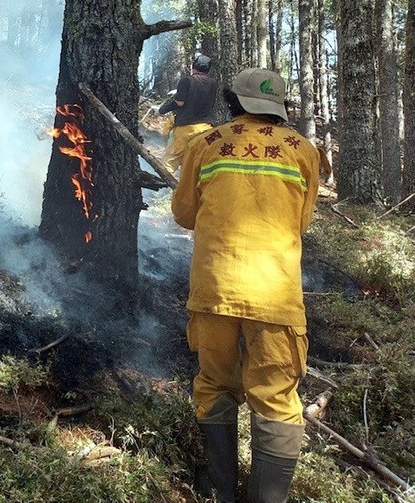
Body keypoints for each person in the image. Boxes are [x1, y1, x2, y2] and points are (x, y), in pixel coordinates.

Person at [172, 68, 321, 503]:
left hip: (214, 289)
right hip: (276, 297)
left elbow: (183, 214)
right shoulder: (304, 151)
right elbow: (303, 220)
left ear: (233, 102)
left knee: (215, 384)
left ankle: (218, 490)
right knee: (275, 396)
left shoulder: (205, 144)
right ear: (278, 109)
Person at [158, 54, 218, 175]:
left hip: (186, 128)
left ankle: (162, 187)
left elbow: (179, 103)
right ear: (208, 69)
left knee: (169, 162)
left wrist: (162, 109)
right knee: (194, 163)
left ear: (193, 66)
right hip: (206, 128)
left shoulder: (187, 81)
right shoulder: (213, 83)